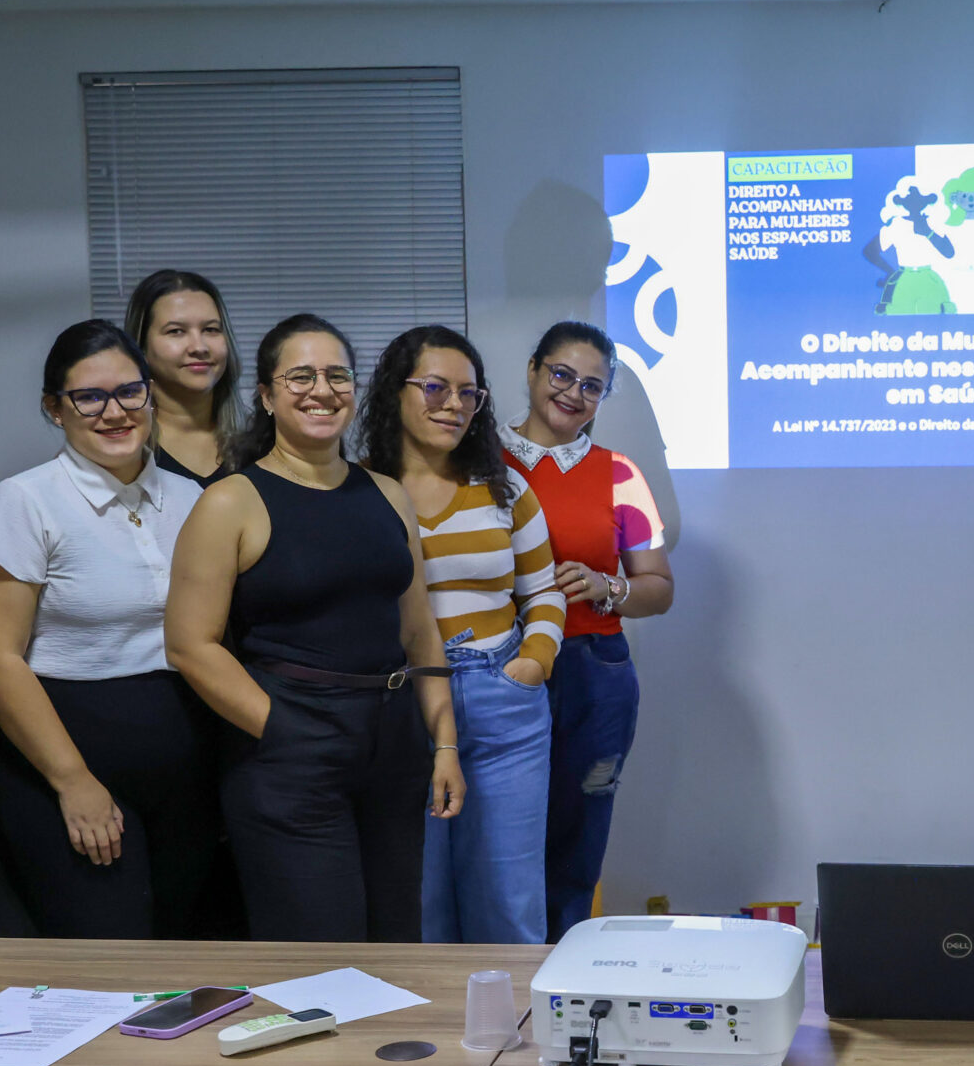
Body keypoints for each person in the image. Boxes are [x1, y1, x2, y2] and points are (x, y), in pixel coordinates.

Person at [166, 313, 464, 942]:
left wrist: (443, 742)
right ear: (267, 396)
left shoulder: (387, 494)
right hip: (290, 749)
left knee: (395, 943)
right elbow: (190, 645)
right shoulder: (231, 500)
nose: (322, 390)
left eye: (337, 375)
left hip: (392, 743)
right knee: (321, 957)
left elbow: (419, 631)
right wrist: (282, 729)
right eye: (300, 375)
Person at [0, 321, 220, 939]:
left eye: (130, 392)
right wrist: (73, 782)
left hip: (185, 762)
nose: (115, 412)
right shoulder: (26, 502)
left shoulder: (193, 499)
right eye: (89, 397)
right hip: (67, 760)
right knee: (111, 955)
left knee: (194, 948)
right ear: (55, 408)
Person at [360, 325, 567, 944]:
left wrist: (532, 662)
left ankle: (518, 1041)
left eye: (469, 394)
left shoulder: (504, 486)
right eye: (435, 388)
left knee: (508, 902)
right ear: (394, 392)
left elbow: (545, 591)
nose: (453, 405)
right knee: (418, 904)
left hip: (504, 702)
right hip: (403, 705)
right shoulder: (358, 490)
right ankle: (437, 1041)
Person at [503, 322, 674, 940]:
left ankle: (563, 965)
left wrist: (612, 589)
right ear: (532, 370)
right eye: (562, 375)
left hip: (593, 672)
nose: (574, 393)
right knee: (500, 829)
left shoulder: (619, 474)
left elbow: (659, 586)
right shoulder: (474, 461)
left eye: (593, 386)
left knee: (577, 831)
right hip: (499, 668)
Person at [126, 269, 241, 488]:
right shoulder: (120, 448)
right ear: (141, 346)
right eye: (176, 331)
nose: (199, 347)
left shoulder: (260, 445)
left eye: (210, 329)